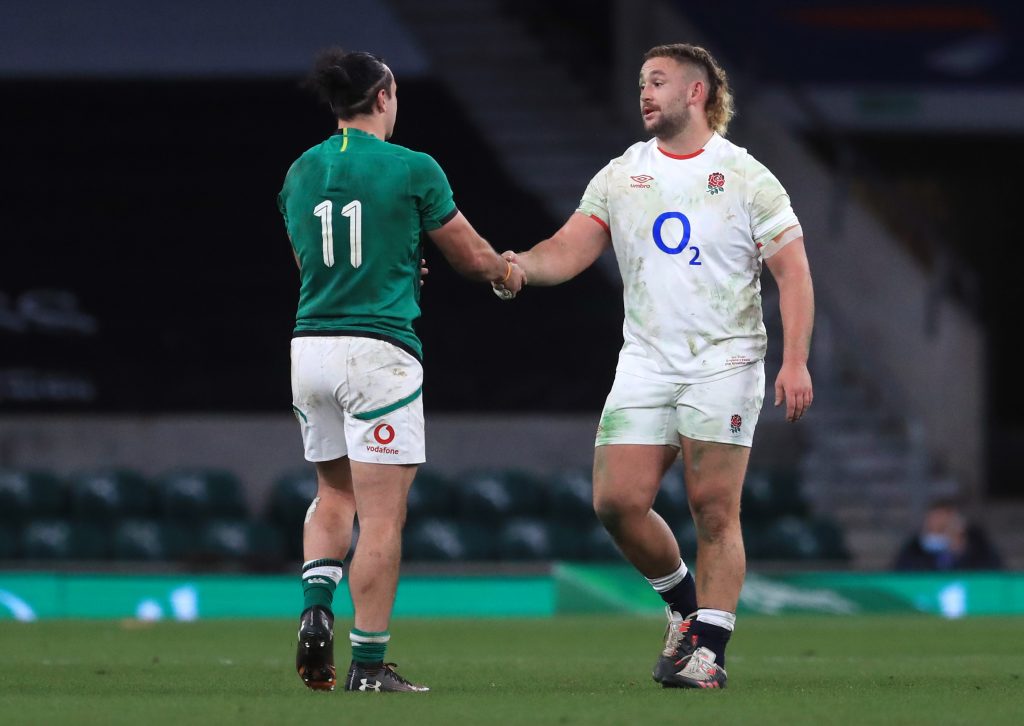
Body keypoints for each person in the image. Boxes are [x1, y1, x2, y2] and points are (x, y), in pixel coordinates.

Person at [499, 43, 814, 689]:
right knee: (616, 501)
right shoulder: (622, 174)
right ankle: (683, 608)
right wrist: (518, 268)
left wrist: (796, 361)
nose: (645, 92)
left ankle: (710, 652)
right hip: (646, 360)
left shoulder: (745, 175)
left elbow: (795, 274)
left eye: (659, 81)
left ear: (696, 93)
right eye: (642, 81)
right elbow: (567, 249)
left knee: (713, 507)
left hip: (725, 358)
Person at [278, 48, 525, 693]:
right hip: (378, 353)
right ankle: (366, 665)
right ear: (384, 95)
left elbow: (312, 261)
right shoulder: (414, 168)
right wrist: (507, 274)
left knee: (333, 494)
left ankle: (313, 608)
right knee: (382, 518)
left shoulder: (300, 170)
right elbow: (470, 256)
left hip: (310, 347)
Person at [893, 497, 1003, 571]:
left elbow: (993, 570)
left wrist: (960, 550)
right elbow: (901, 572)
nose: (938, 523)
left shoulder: (978, 544)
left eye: (944, 521)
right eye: (934, 519)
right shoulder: (914, 547)